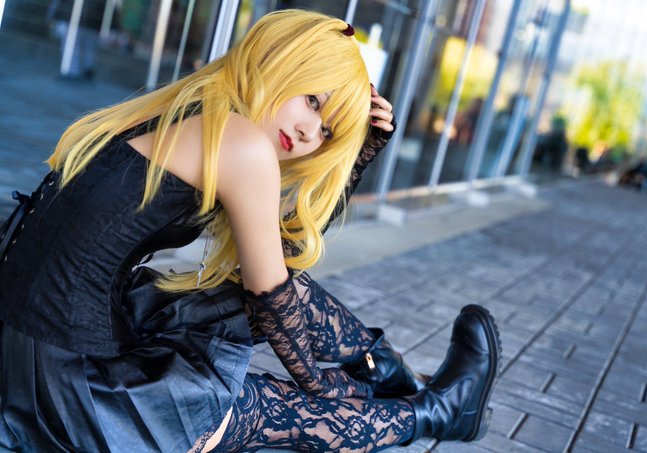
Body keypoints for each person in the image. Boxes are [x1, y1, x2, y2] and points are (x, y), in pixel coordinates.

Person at [0, 9, 501, 452]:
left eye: (327, 131)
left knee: (269, 300)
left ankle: (398, 378)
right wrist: (321, 386)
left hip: (25, 344)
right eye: (312, 100)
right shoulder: (239, 142)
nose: (309, 132)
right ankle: (436, 411)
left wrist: (356, 158)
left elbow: (282, 260)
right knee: (259, 408)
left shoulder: (190, 108)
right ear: (278, 60)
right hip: (66, 385)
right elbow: (274, 296)